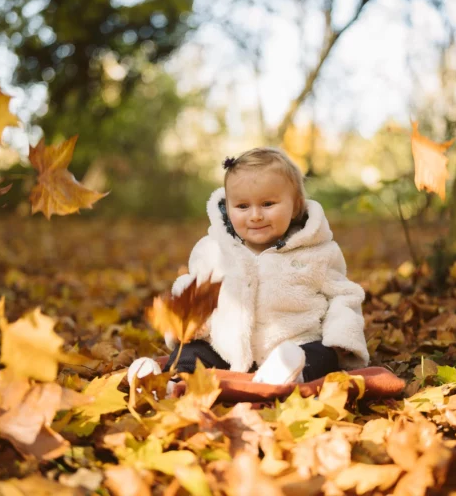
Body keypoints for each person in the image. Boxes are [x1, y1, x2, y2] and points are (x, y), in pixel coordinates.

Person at [128, 147, 369, 388]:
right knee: (192, 351)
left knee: (323, 354)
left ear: (295, 206)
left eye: (268, 204)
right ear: (228, 207)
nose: (255, 216)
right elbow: (194, 291)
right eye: (242, 206)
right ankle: (170, 381)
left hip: (295, 342)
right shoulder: (212, 250)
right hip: (225, 350)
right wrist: (193, 323)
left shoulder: (318, 252)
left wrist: (341, 337)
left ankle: (289, 373)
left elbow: (343, 296)